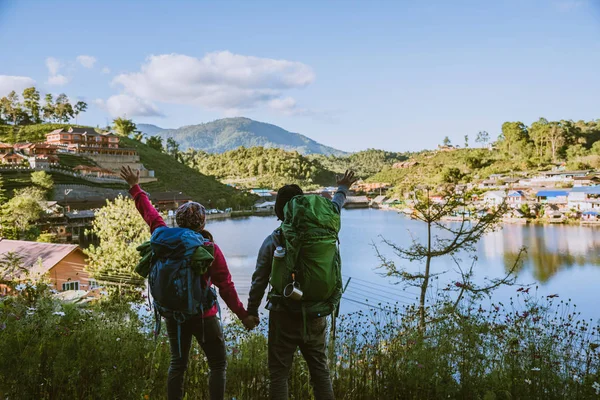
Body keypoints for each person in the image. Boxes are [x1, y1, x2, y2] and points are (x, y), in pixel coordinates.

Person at [120, 166, 258, 400]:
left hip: (173, 314)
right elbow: (225, 286)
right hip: (203, 317)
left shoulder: (162, 236)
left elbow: (150, 214)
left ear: (178, 220)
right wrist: (243, 315)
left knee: (178, 364)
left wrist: (135, 187)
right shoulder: (208, 249)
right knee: (217, 364)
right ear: (201, 224)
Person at [247, 170, 358, 400]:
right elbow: (336, 204)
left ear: (280, 210)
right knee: (320, 371)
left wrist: (251, 311)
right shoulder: (325, 226)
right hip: (317, 312)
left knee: (279, 374)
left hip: (283, 313)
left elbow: (259, 279)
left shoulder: (274, 239)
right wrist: (343, 187)